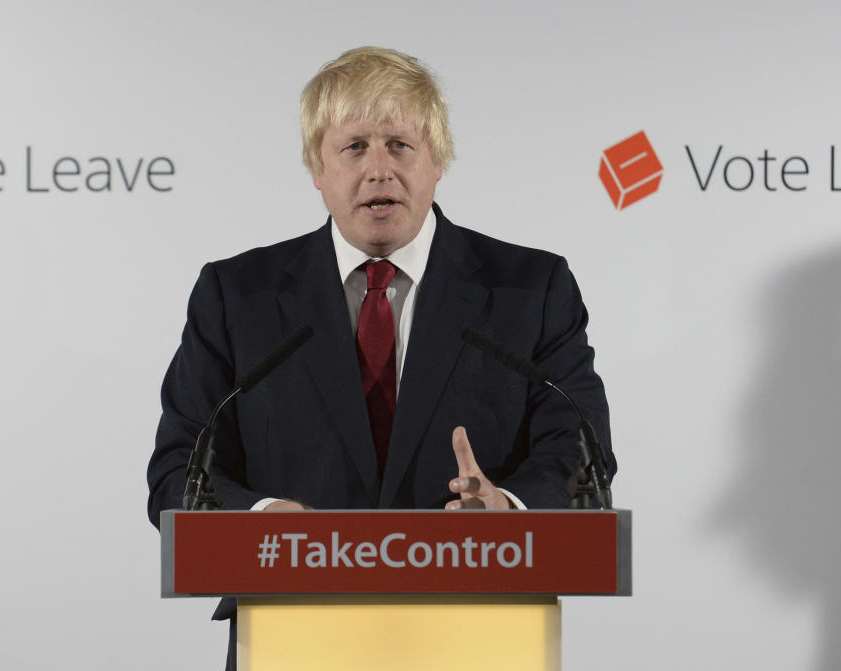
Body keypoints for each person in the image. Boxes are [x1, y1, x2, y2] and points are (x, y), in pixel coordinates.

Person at [147, 46, 614, 669]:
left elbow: (581, 454)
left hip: (480, 631)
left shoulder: (530, 288)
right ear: (317, 166)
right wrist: (264, 522)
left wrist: (509, 511)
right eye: (354, 147)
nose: (379, 170)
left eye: (400, 144)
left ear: (438, 161)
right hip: (293, 633)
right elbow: (179, 467)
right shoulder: (238, 295)